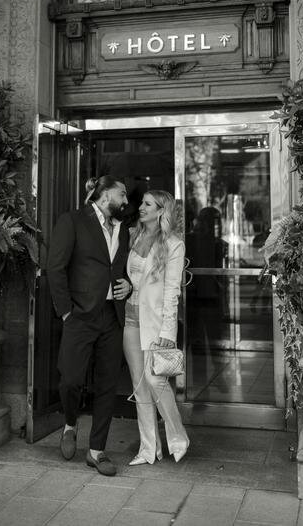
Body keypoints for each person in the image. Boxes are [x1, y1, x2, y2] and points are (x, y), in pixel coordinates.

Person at [46, 175, 132, 477]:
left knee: (108, 384)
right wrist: (66, 312)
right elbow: (55, 268)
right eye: (122, 194)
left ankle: (97, 452)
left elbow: (121, 270)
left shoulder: (124, 230)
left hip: (112, 316)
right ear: (105, 193)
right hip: (80, 316)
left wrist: (128, 287)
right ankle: (70, 424)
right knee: (70, 379)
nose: (125, 201)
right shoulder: (72, 221)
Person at [123, 190, 190, 465]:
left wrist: (167, 333)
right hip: (129, 318)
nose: (141, 207)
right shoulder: (134, 236)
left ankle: (178, 437)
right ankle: (149, 449)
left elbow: (173, 291)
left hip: (155, 324)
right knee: (139, 386)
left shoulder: (174, 244)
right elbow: (129, 277)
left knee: (155, 380)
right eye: (142, 203)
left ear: (161, 210)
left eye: (147, 204)